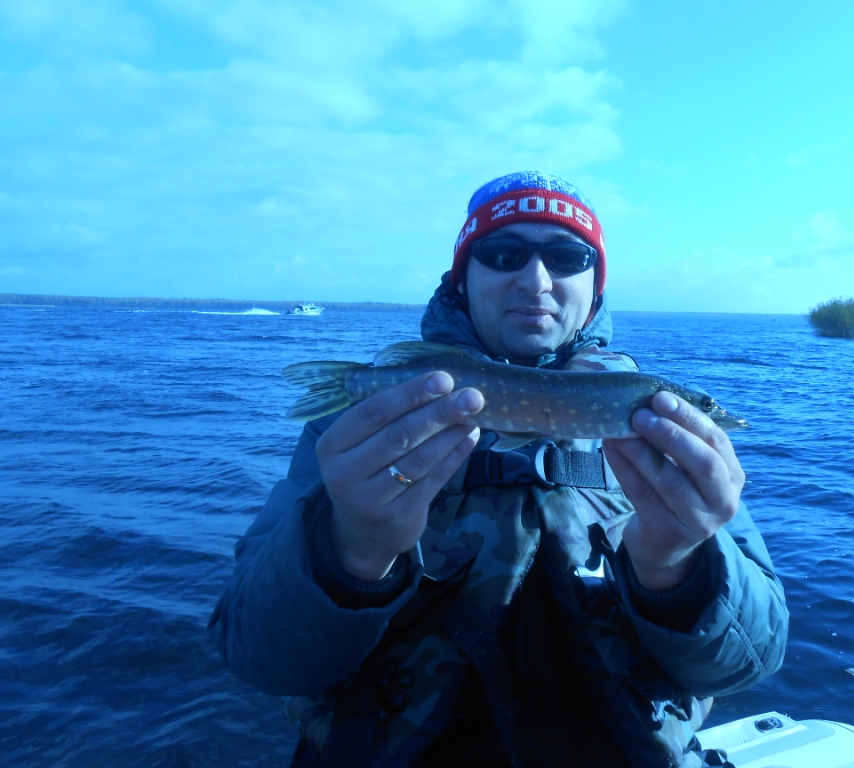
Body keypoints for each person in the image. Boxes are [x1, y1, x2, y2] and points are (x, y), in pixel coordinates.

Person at [210, 171, 788, 768]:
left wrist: (677, 565)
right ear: (463, 276)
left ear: (595, 285)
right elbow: (260, 658)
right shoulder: (359, 429)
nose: (535, 280)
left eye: (567, 257)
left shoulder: (668, 443)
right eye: (504, 254)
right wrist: (350, 550)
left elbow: (748, 664)